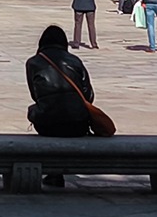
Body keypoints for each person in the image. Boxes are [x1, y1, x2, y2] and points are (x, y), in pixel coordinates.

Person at [25, 24, 115, 177]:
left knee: (33, 109)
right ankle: (57, 172)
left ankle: (54, 173)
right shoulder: (74, 61)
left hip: (47, 124)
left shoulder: (33, 63)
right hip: (77, 124)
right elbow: (88, 95)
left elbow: (35, 95)